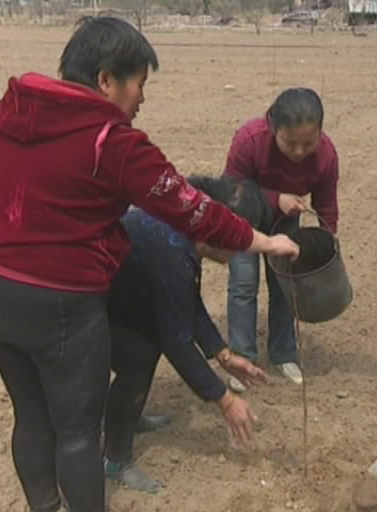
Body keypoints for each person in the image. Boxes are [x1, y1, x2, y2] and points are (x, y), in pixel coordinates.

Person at [0, 16, 298, 512]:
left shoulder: (5, 112)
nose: (141, 99)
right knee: (78, 420)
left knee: (31, 410)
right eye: (139, 84)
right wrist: (262, 240)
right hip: (60, 298)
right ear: (107, 79)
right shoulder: (111, 141)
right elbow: (189, 207)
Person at [103, 175, 273, 493]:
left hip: (116, 295)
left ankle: (126, 418)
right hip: (88, 304)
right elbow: (177, 341)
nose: (241, 252)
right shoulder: (172, 250)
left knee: (143, 349)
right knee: (138, 356)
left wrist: (222, 354)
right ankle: (116, 458)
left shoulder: (182, 234)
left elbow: (184, 301)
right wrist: (225, 399)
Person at [223, 87, 340, 392]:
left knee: (285, 286)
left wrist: (327, 242)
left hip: (286, 221)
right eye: (291, 143)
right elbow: (231, 191)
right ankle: (242, 358)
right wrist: (276, 199)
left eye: (308, 143)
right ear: (274, 128)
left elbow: (326, 202)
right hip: (244, 219)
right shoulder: (249, 141)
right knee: (244, 284)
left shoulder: (326, 155)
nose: (300, 151)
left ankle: (283, 353)